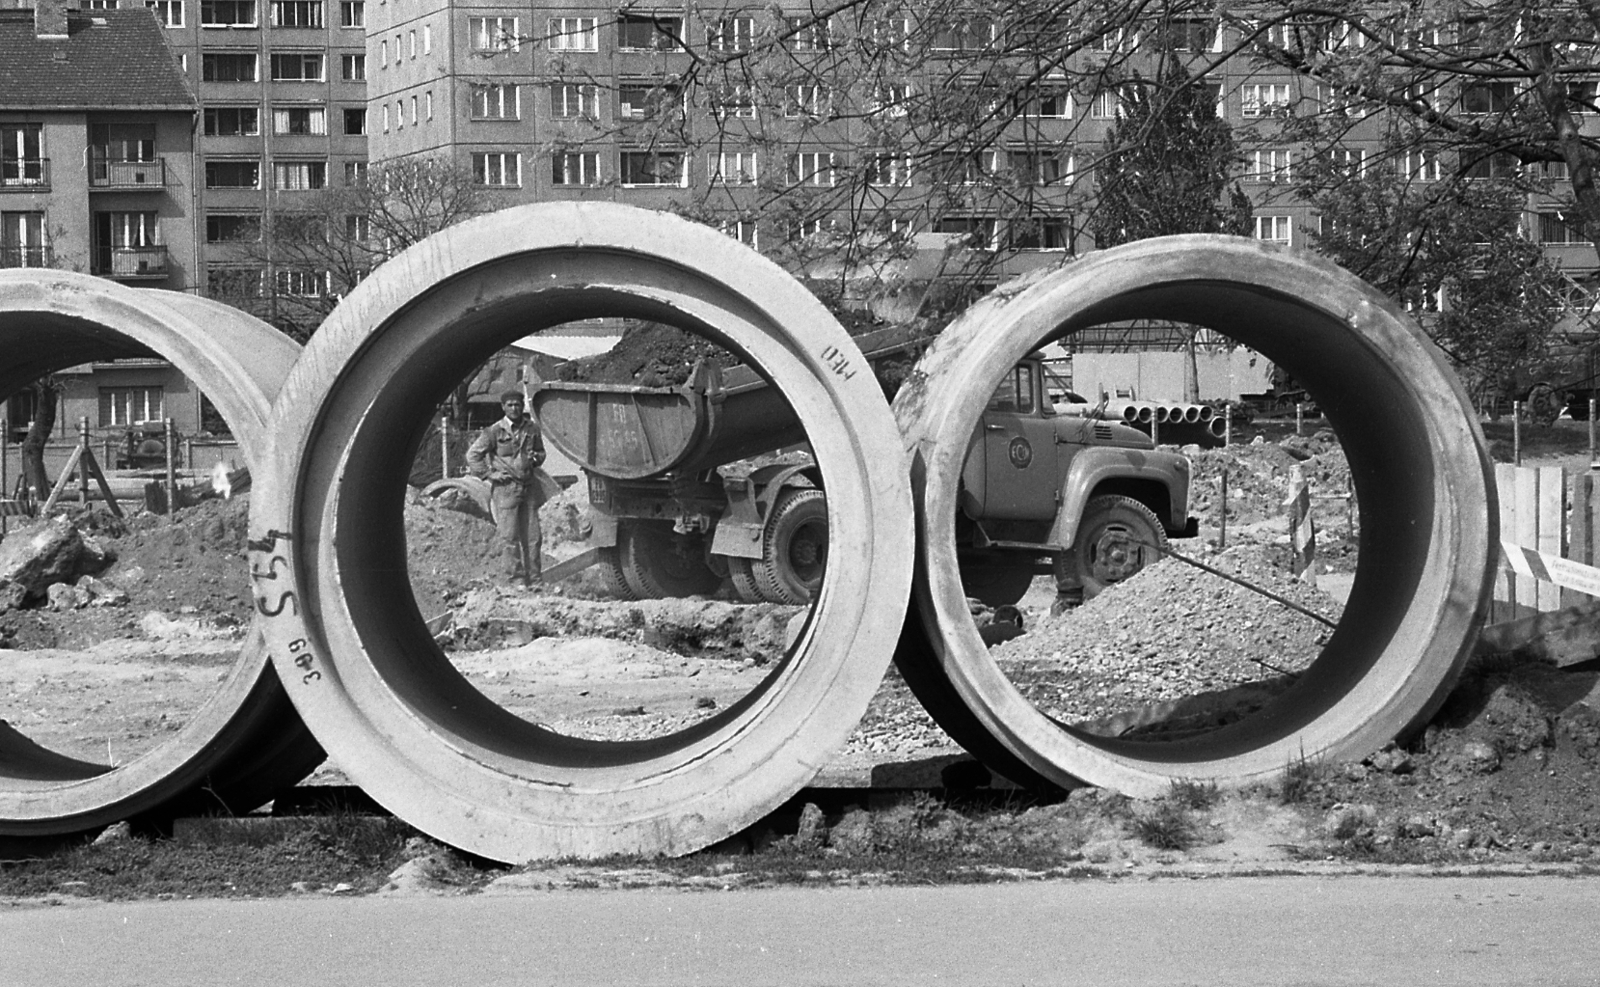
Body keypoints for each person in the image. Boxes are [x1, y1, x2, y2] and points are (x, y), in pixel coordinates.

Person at [466, 390, 547, 588]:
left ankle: (535, 580)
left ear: (522, 406)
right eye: (510, 405)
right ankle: (516, 580)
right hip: (505, 489)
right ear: (503, 407)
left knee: (533, 537)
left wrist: (537, 458)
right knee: (510, 537)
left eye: (517, 404)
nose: (514, 408)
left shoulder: (532, 428)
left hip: (528, 487)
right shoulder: (494, 431)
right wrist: (488, 475)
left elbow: (541, 452)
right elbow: (472, 455)